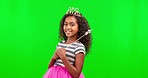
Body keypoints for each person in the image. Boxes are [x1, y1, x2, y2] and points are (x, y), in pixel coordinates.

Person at [43, 7, 92, 78]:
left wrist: (63, 57)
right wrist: (54, 56)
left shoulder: (79, 47)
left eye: (72, 25)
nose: (68, 27)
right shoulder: (61, 44)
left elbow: (76, 74)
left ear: (79, 27)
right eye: (65, 24)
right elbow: (50, 67)